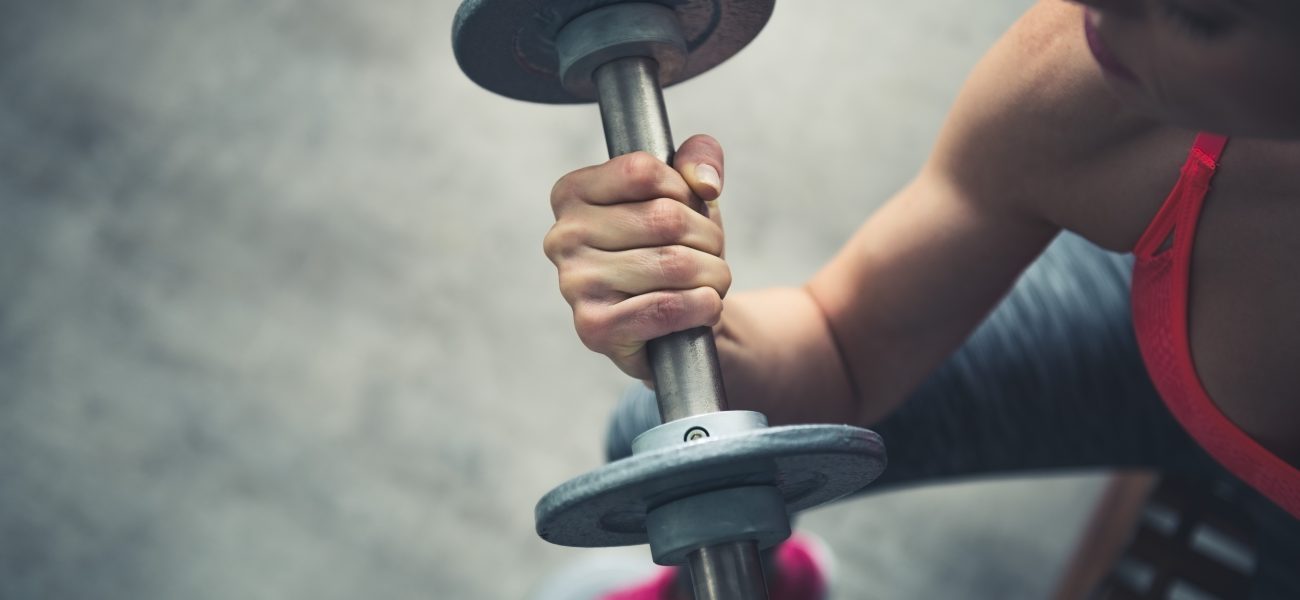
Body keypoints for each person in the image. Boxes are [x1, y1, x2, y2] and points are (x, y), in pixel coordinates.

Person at [541, 0, 1300, 597]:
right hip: (1165, 353)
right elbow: (841, 345)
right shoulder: (1085, 75)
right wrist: (679, 307)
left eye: (1200, 13)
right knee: (691, 436)